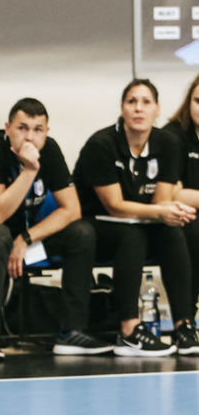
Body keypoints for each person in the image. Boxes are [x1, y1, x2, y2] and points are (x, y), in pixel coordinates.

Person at [0, 97, 110, 360]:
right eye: (22, 128)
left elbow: (71, 210)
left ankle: (71, 331)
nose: (30, 137)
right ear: (8, 128)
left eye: (37, 129)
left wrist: (26, 238)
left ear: (46, 132)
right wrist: (30, 171)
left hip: (18, 240)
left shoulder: (50, 150)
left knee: (82, 232)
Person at [72, 78, 193, 357]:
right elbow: (114, 206)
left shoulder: (168, 143)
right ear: (122, 109)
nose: (139, 108)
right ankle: (128, 330)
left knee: (175, 230)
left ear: (157, 109)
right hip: (95, 225)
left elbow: (161, 201)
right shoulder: (101, 144)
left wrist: (169, 212)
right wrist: (161, 212)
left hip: (139, 221)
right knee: (132, 234)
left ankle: (184, 325)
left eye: (146, 102)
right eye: (132, 102)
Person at [152, 74, 199, 354]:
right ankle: (185, 322)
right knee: (191, 227)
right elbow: (172, 194)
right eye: (197, 101)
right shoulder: (173, 136)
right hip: (171, 218)